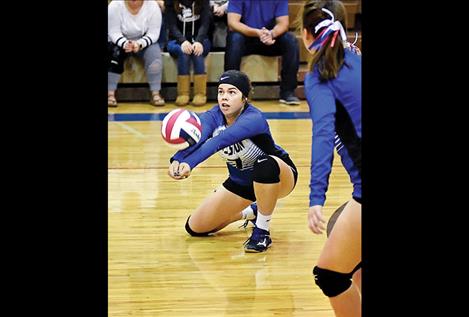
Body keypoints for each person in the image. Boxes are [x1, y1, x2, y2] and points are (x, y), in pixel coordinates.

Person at [168, 70, 298, 253]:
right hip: (241, 183)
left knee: (263, 163)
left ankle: (262, 233)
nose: (224, 98)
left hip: (278, 176)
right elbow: (197, 137)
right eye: (221, 91)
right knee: (195, 227)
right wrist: (177, 159)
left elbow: (218, 141)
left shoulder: (254, 118)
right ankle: (251, 212)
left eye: (232, 92)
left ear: (244, 97)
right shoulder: (214, 116)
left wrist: (190, 164)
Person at [300, 0, 361, 316]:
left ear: (306, 35)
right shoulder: (357, 61)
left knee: (330, 275)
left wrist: (315, 198)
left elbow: (323, 137)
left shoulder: (321, 75)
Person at [224, 0, 300, 105]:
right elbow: (233, 23)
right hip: (246, 38)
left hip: (269, 39)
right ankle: (230, 90)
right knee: (234, 38)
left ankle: (287, 92)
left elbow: (283, 23)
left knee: (291, 41)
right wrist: (256, 32)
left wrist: (271, 34)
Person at [108, 0, 165, 107]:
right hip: (119, 40)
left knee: (155, 55)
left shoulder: (152, 6)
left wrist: (139, 44)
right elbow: (113, 32)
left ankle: (155, 93)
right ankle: (110, 94)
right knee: (114, 54)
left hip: (143, 40)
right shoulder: (114, 5)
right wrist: (125, 43)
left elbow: (154, 33)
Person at [165, 0, 212, 107]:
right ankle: (183, 93)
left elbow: (205, 24)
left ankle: (200, 94)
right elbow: (172, 26)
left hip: (201, 39)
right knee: (184, 52)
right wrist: (183, 41)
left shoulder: (203, 2)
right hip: (176, 40)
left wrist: (199, 41)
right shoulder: (170, 2)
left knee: (197, 51)